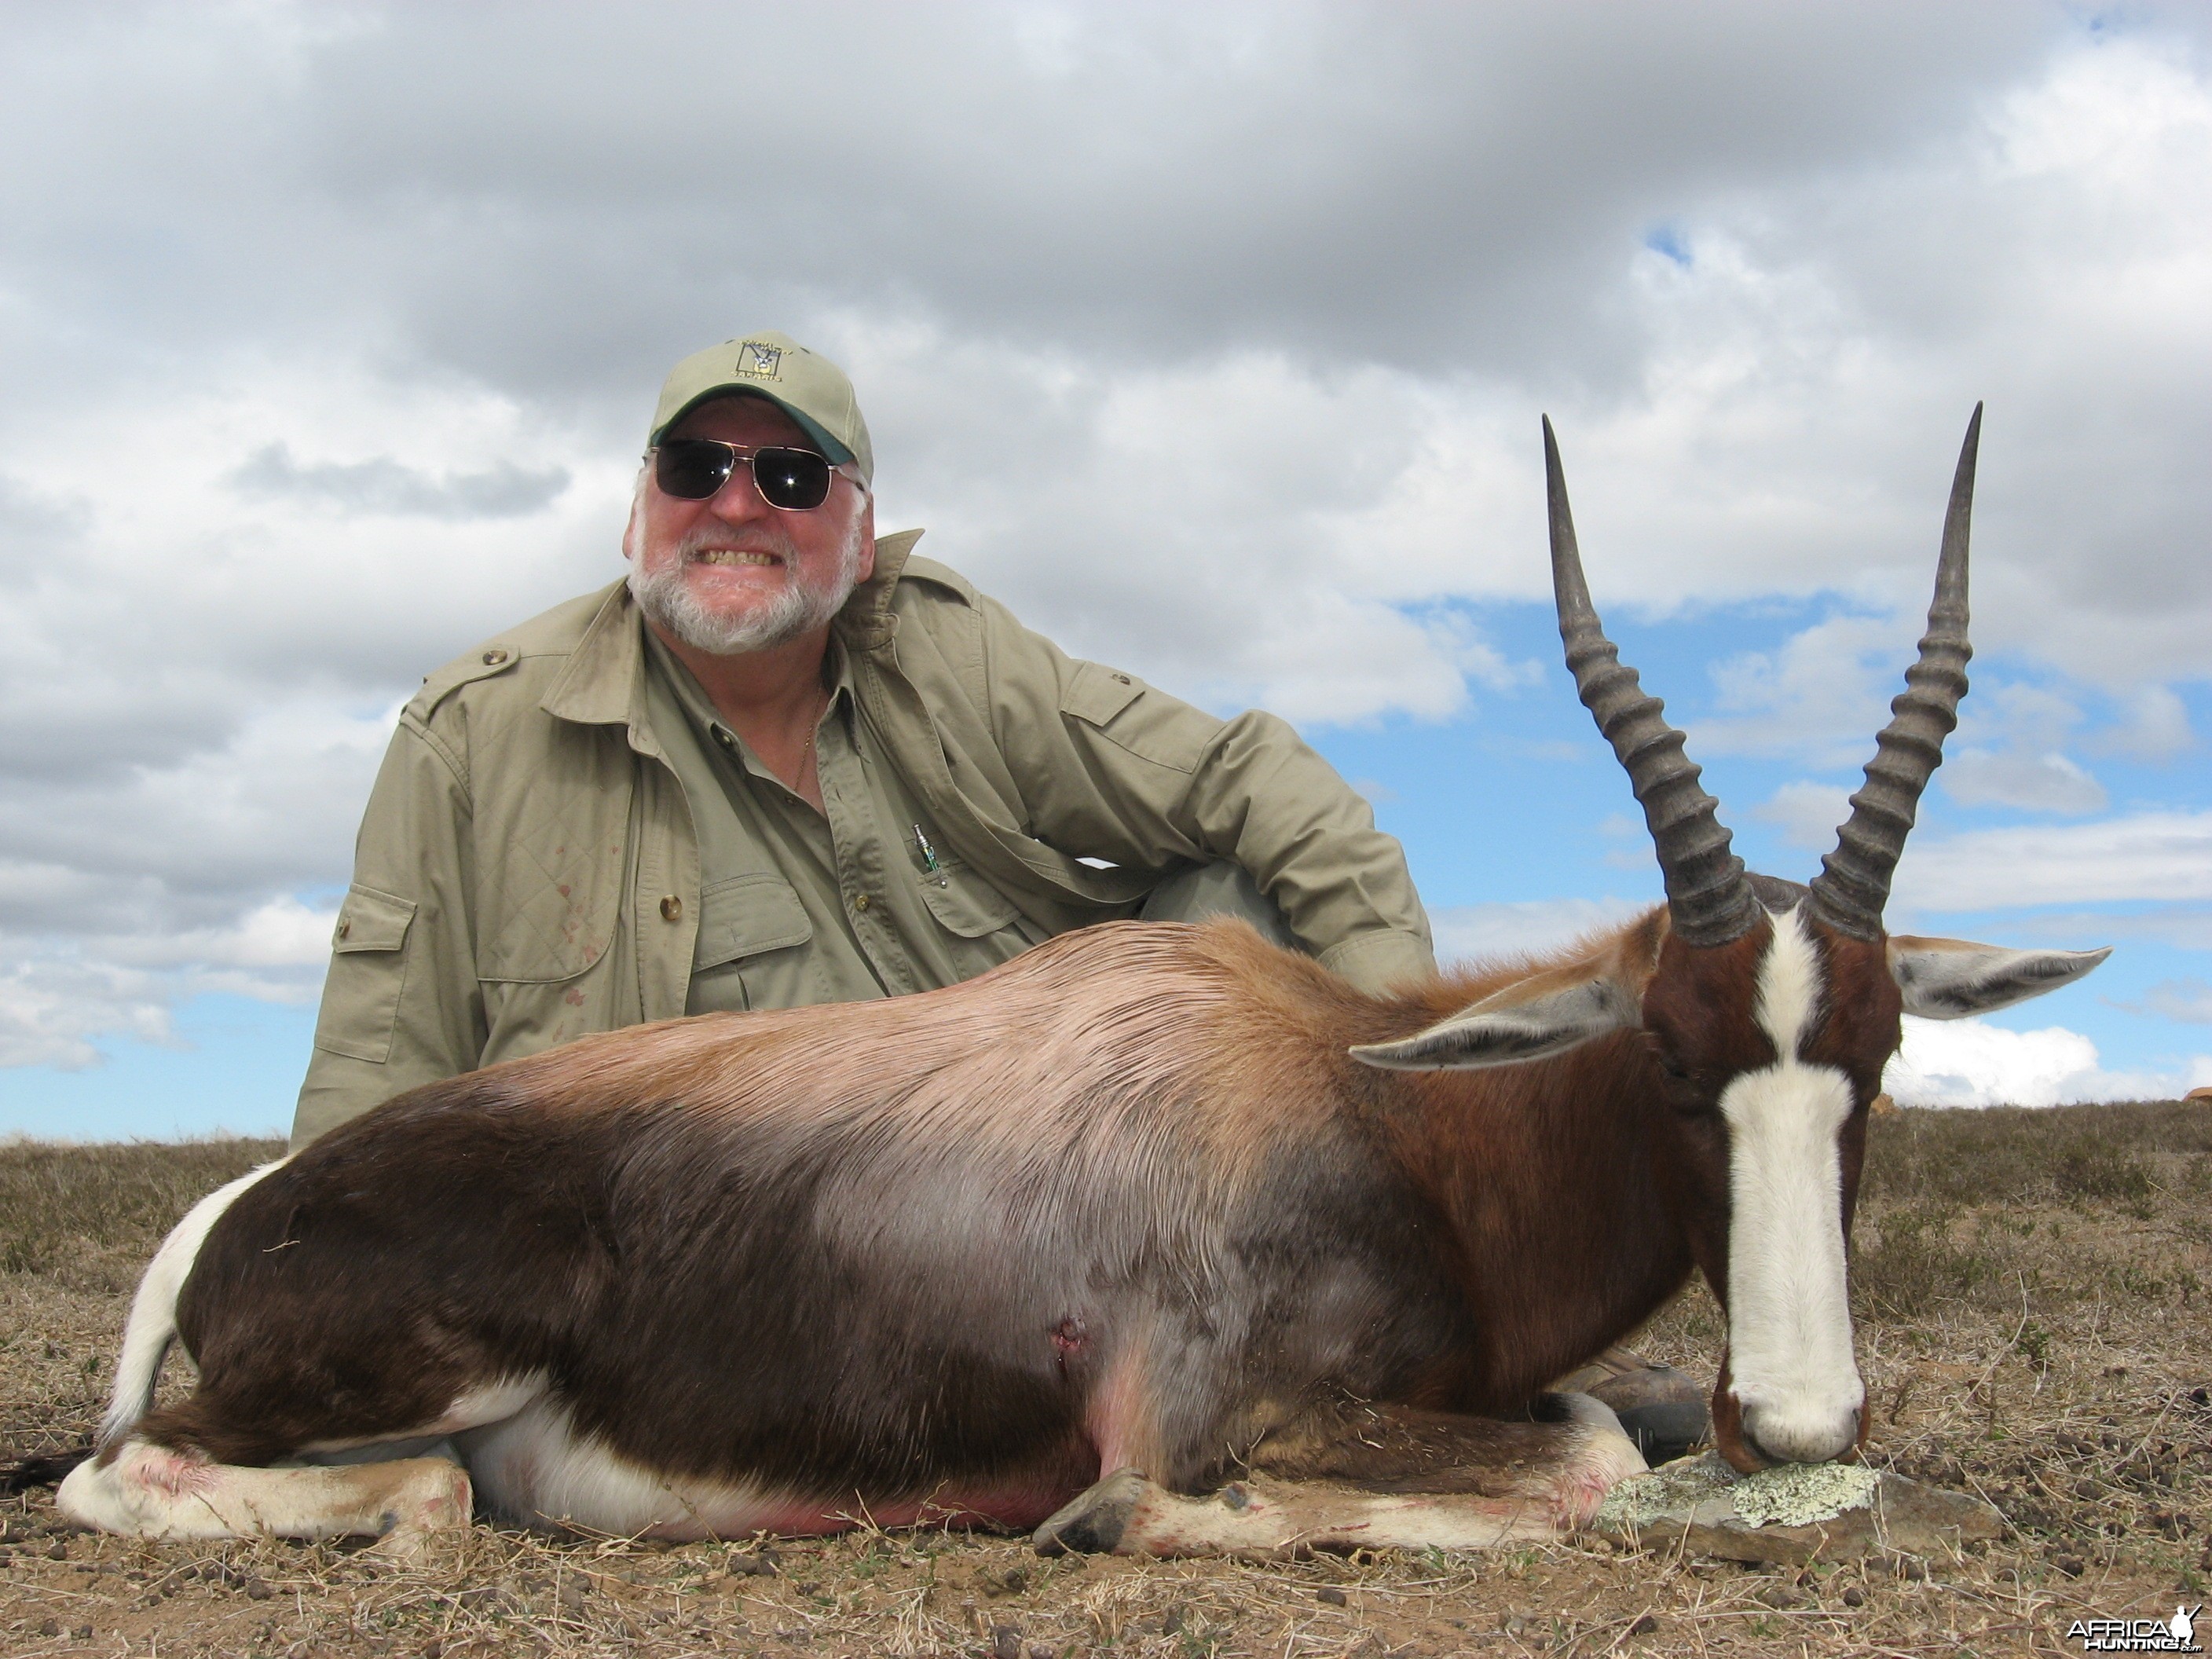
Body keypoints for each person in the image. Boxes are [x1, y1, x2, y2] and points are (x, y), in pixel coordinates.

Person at [290, 332, 1436, 1148]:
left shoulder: (954, 655)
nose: (738, 508)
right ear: (636, 508)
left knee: (1239, 901)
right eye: (697, 468)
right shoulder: (471, 738)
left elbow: (1249, 779)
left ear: (861, 529)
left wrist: (1418, 1070)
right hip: (766, 1250)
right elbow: (370, 1084)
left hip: (1084, 1182)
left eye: (790, 475)